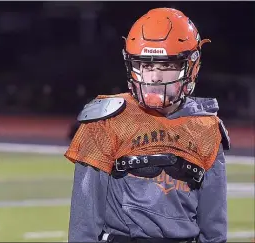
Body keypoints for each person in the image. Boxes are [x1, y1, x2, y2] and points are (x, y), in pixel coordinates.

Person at [64, 8, 229, 243]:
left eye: (166, 66)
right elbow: (83, 223)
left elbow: (214, 229)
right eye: (147, 66)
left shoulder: (206, 127)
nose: (154, 77)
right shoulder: (106, 120)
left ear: (191, 67)